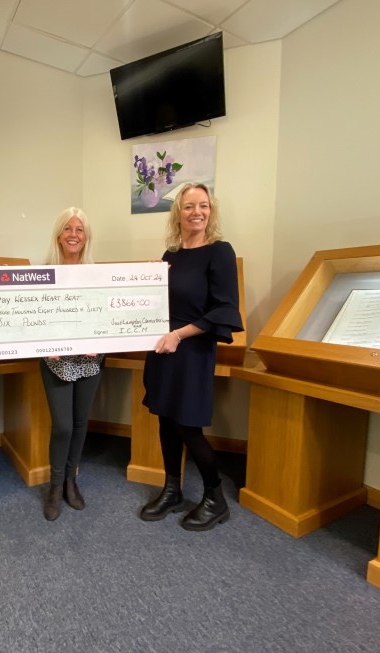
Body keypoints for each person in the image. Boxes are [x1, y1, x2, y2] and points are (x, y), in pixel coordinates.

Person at [139, 182, 243, 531]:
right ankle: (172, 489)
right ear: (177, 213)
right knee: (165, 419)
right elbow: (161, 303)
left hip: (192, 349)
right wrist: (148, 281)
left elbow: (225, 308)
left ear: (210, 212)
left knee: (187, 424)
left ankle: (215, 498)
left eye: (203, 206)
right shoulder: (171, 256)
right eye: (188, 206)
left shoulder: (220, 251)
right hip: (164, 348)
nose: (196, 212)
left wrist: (179, 335)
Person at [39, 207, 104, 521]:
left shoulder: (97, 275)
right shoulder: (43, 273)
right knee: (63, 424)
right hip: (55, 359)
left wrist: (100, 342)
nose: (74, 234)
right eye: (68, 228)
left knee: (80, 423)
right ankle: (54, 485)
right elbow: (33, 318)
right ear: (58, 235)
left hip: (91, 358)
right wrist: (44, 344)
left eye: (79, 229)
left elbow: (107, 316)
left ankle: (70, 481)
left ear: (86, 236)